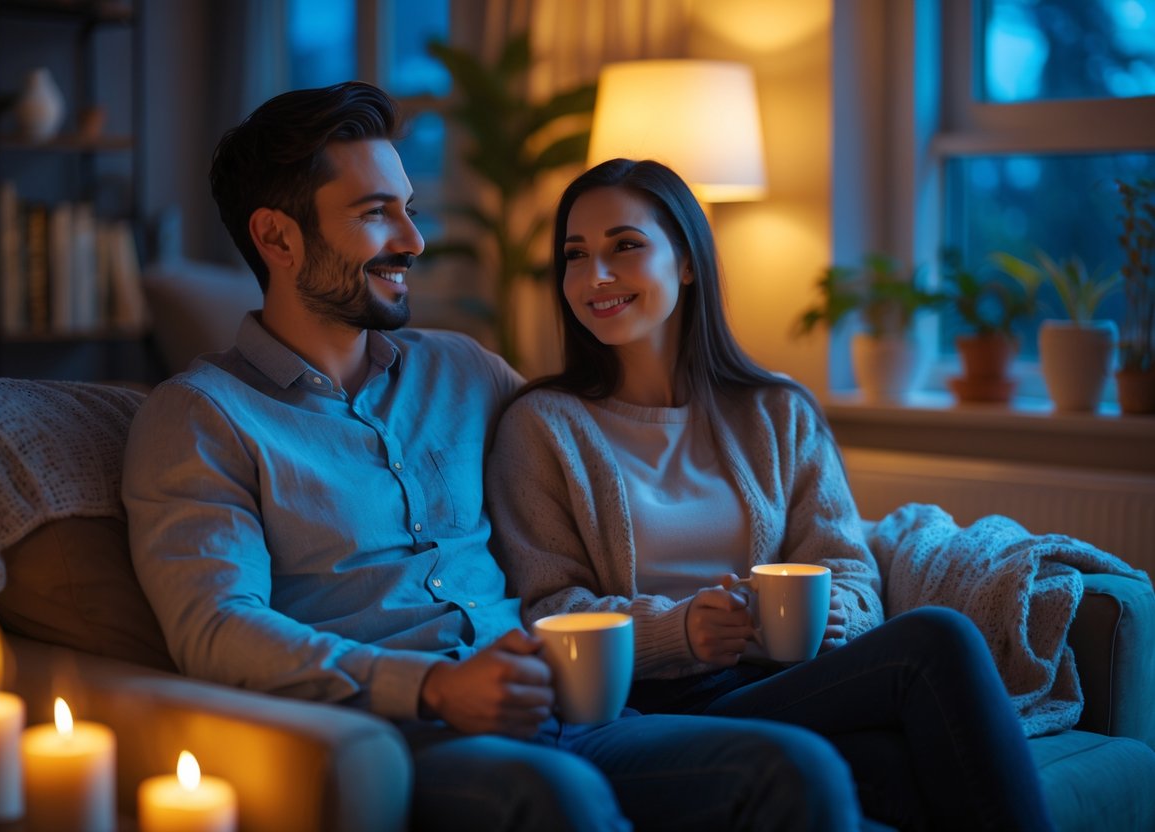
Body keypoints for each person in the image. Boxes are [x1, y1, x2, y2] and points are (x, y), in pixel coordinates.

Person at [121, 81, 875, 832]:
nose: (413, 241)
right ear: (278, 239)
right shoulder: (200, 417)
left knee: (793, 768)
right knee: (560, 799)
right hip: (408, 737)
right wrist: (430, 689)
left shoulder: (462, 371)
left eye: (407, 209)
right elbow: (215, 627)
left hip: (569, 708)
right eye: (375, 213)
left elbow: (599, 453)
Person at [485, 158, 1056, 832]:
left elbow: (846, 565)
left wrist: (836, 617)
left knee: (891, 762)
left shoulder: (775, 411)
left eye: (624, 246)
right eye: (574, 256)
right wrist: (682, 631)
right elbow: (549, 607)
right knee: (935, 638)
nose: (595, 276)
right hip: (651, 707)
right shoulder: (542, 426)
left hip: (779, 685)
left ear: (688, 262)